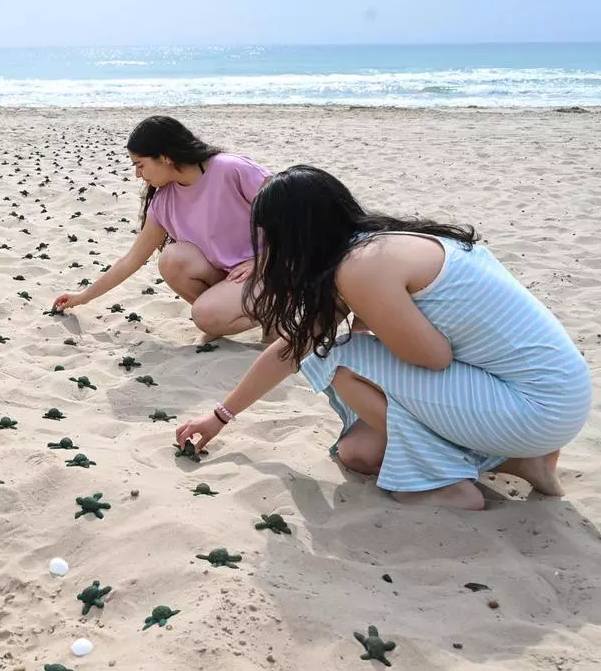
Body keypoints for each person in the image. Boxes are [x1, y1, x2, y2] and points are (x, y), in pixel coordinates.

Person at [175, 165, 592, 511]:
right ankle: (524, 462)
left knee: (335, 357)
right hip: (556, 396)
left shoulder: (362, 267)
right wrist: (220, 416)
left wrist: (365, 324)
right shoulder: (375, 245)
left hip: (534, 405)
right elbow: (293, 345)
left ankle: (447, 484)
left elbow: (434, 357)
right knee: (360, 453)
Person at [53, 116, 272, 343]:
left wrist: (262, 260)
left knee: (205, 315)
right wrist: (83, 296)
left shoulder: (230, 169)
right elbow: (132, 259)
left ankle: (278, 310)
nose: (138, 174)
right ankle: (225, 313)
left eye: (140, 165)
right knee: (172, 259)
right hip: (234, 276)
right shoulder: (164, 200)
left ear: (165, 157)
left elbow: (294, 213)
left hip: (275, 268)